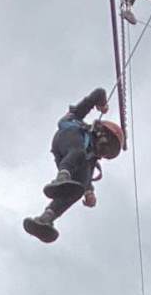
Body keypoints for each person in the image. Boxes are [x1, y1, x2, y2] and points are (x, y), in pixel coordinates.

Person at [23, 87, 124, 244]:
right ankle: (62, 176)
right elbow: (98, 93)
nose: (102, 151)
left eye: (106, 152)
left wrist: (89, 193)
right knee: (79, 153)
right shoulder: (80, 123)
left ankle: (47, 217)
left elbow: (87, 179)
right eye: (106, 144)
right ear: (100, 132)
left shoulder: (91, 159)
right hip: (67, 138)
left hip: (68, 159)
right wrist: (101, 103)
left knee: (79, 186)